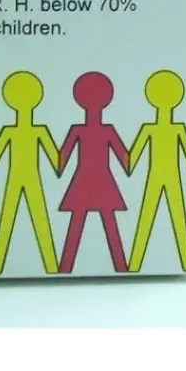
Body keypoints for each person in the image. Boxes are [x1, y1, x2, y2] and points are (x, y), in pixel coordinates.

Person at [57, 72, 130, 273]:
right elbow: (126, 161)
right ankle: (120, 266)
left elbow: (61, 161)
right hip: (102, 182)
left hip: (83, 181)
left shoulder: (78, 131)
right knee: (107, 222)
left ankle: (65, 267)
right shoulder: (106, 131)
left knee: (78, 222)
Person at [0, 71, 60, 274]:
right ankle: (51, 265)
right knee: (38, 218)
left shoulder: (10, 131)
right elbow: (57, 161)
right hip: (30, 178)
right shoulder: (38, 131)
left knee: (9, 218)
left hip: (17, 178)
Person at [127, 70, 186, 273]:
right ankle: (185, 262)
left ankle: (135, 263)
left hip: (158, 176)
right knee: (176, 218)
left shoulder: (151, 129)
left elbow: (131, 160)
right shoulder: (176, 128)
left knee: (147, 217)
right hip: (169, 177)